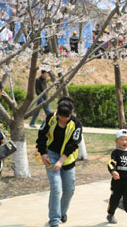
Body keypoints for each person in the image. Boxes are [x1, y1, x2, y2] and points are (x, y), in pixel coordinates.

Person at [36, 97, 82, 227]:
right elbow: (41, 135)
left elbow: (73, 144)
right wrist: (43, 153)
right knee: (56, 188)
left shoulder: (76, 123)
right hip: (51, 155)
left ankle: (62, 212)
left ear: (71, 114)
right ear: (57, 112)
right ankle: (54, 220)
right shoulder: (50, 118)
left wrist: (61, 161)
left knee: (69, 190)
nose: (62, 119)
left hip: (67, 158)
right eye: (60, 116)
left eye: (65, 117)